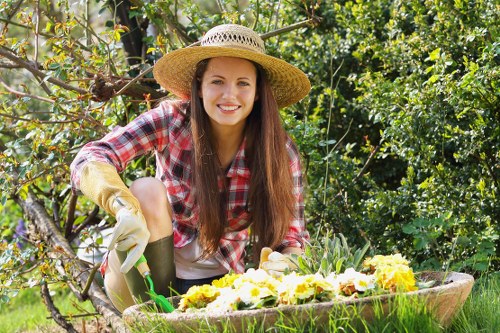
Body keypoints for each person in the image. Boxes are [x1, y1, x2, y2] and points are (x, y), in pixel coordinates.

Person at [70, 24, 311, 312]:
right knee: (145, 190)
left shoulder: (279, 152)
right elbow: (90, 156)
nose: (229, 95)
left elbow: (292, 235)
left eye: (243, 83)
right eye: (217, 81)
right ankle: (150, 319)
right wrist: (120, 205)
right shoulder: (172, 122)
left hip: (220, 284)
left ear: (258, 91)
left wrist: (284, 266)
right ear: (199, 85)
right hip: (143, 274)